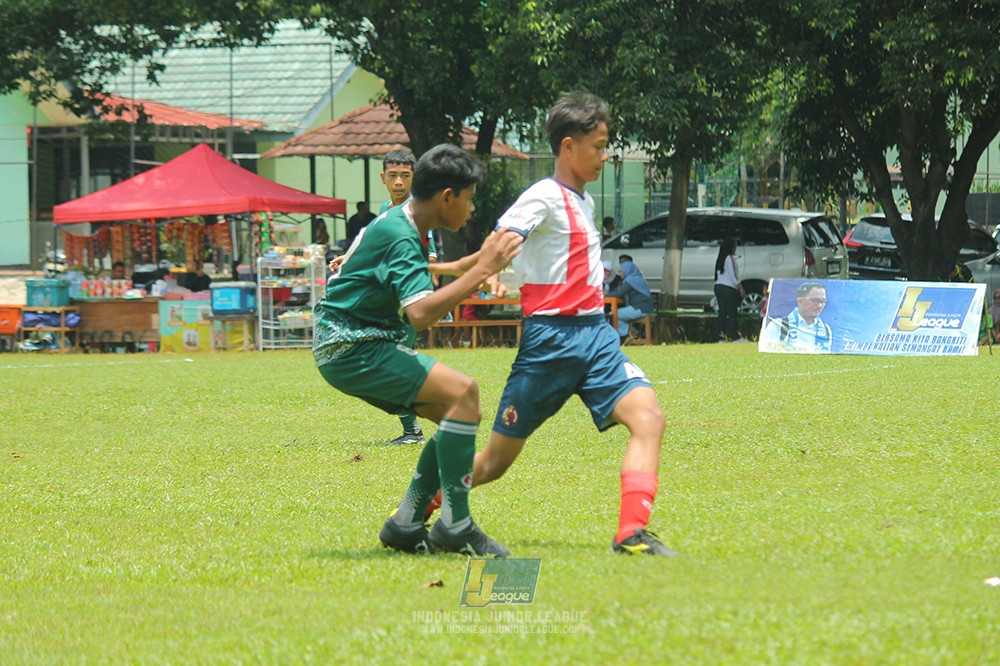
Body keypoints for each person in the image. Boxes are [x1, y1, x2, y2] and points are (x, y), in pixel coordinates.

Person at [426, 91, 676, 557]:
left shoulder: (581, 200)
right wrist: (494, 271)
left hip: (596, 337)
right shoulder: (543, 194)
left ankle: (631, 535)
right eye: (598, 146)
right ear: (567, 147)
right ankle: (423, 510)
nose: (605, 155)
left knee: (649, 418)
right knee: (494, 464)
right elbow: (503, 237)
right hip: (551, 343)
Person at [313, 144, 522, 556]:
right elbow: (422, 314)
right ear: (447, 197)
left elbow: (407, 269)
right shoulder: (401, 232)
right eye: (470, 197)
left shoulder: (404, 223)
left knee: (457, 413)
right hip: (352, 345)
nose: (472, 207)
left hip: (352, 341)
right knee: (464, 393)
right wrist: (480, 270)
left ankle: (406, 523)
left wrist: (465, 267)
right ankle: (456, 525)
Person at [760, 281, 833, 352]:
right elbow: (766, 351)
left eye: (823, 301)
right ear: (800, 301)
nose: (820, 305)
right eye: (815, 300)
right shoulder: (777, 326)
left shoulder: (826, 330)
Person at [606, 254, 654, 341]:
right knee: (617, 315)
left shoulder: (630, 280)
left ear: (627, 270)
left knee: (612, 314)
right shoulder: (638, 278)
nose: (620, 272)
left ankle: (629, 333)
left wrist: (603, 295)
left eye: (621, 270)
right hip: (646, 308)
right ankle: (632, 332)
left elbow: (619, 294)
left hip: (640, 309)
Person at [713, 238, 745, 342]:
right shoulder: (730, 258)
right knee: (732, 313)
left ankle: (720, 336)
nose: (735, 249)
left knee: (722, 313)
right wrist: (740, 287)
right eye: (735, 246)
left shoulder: (720, 258)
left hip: (719, 286)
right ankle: (734, 336)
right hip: (729, 288)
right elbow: (733, 274)